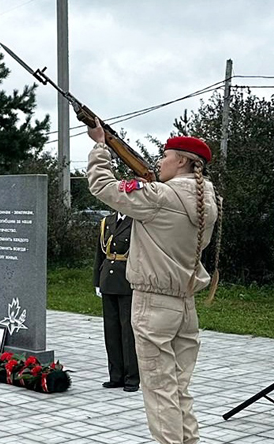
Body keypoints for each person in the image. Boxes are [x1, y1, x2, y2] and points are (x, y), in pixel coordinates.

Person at [87, 121, 219, 444]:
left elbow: (101, 185)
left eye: (166, 156)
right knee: (178, 391)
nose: (159, 162)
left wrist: (101, 146)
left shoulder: (160, 198)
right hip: (184, 306)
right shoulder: (207, 203)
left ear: (184, 161)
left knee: (160, 394)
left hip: (153, 305)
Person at [94, 211, 139, 392]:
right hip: (108, 280)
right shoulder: (107, 221)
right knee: (111, 330)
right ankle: (116, 376)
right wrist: (97, 281)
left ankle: (131, 378)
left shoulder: (136, 221)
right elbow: (100, 253)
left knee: (128, 331)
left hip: (127, 280)